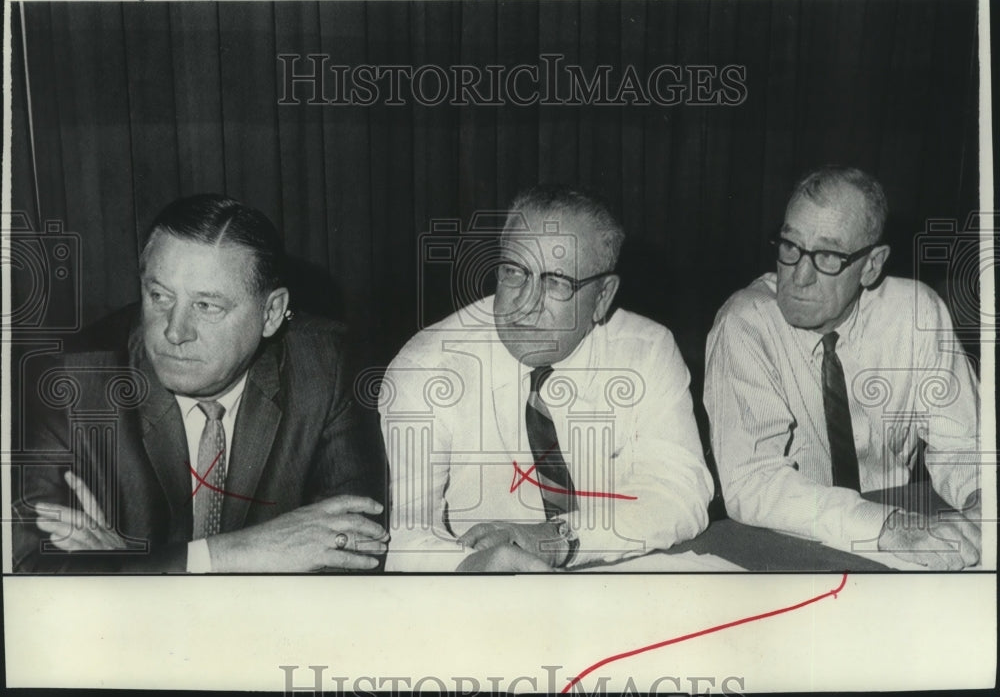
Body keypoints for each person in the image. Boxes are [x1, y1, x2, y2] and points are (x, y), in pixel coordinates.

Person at [12, 194, 388, 573]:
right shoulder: (71, 385)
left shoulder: (328, 367)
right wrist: (230, 554)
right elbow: (29, 570)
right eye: (159, 296)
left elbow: (354, 557)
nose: (174, 332)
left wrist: (131, 570)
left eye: (206, 306)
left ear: (271, 313)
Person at [379, 185, 713, 572]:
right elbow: (404, 539)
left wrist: (559, 539)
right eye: (513, 271)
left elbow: (680, 492)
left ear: (603, 297)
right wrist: (473, 566)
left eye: (556, 282)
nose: (525, 302)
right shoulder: (427, 368)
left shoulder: (646, 350)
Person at [705, 167, 981, 569]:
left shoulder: (916, 312)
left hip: (901, 528)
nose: (798, 276)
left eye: (829, 256)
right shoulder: (745, 323)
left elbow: (963, 445)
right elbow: (752, 480)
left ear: (871, 265)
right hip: (791, 540)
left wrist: (981, 506)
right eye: (790, 246)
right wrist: (885, 526)